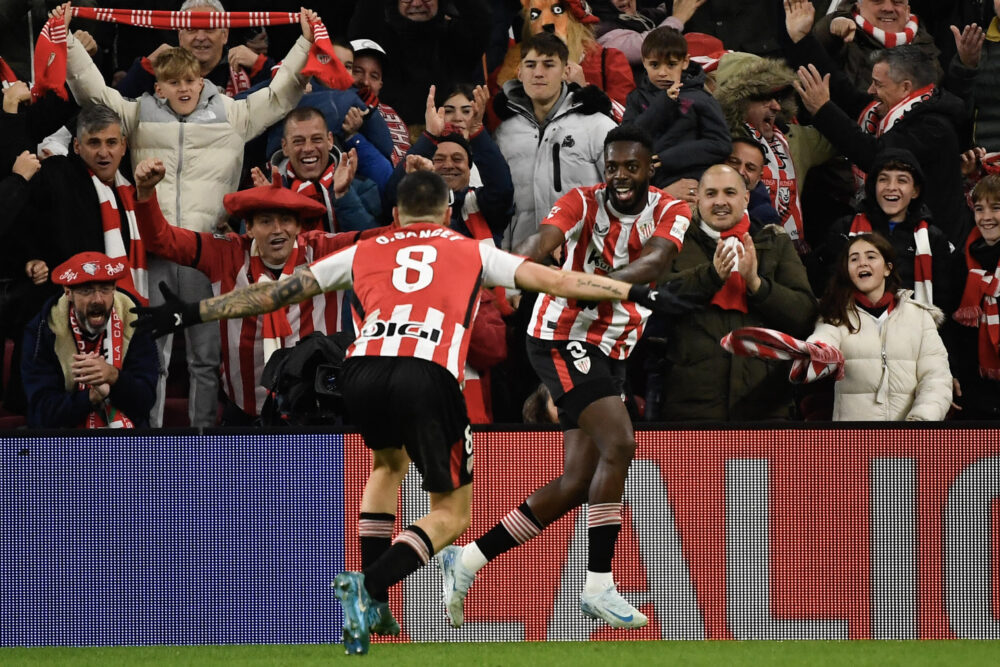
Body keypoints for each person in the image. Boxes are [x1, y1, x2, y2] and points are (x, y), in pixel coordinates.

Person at [129, 170, 689, 654]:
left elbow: (278, 294)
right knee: (452, 515)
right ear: (447, 211)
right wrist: (630, 292)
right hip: (426, 373)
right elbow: (558, 280)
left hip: (361, 371)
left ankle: (376, 610)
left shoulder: (365, 250)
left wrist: (188, 314)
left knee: (387, 466)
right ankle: (369, 585)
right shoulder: (471, 250)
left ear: (394, 214)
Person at [437, 125, 691, 631]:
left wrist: (600, 285)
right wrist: (518, 266)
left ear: (650, 168)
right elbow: (542, 239)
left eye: (630, 167)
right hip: (560, 334)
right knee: (620, 441)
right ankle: (598, 583)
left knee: (578, 480)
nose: (619, 176)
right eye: (612, 165)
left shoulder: (671, 209)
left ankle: (467, 560)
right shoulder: (580, 199)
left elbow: (658, 259)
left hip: (615, 344)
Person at [58, 2, 319, 427]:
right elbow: (92, 91)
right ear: (159, 86)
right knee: (150, 354)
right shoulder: (139, 113)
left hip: (205, 252)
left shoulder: (234, 114)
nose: (184, 88)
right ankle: (154, 441)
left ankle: (201, 441)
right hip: (155, 250)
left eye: (191, 81)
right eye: (173, 82)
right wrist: (65, 39)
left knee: (205, 358)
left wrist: (307, 41)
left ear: (203, 80)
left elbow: (282, 93)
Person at [131, 157, 376, 424]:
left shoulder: (325, 250)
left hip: (316, 412)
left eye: (286, 220)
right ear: (249, 228)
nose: (278, 230)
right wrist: (146, 194)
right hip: (245, 412)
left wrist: (428, 191)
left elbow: (394, 239)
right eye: (266, 221)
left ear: (299, 226)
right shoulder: (226, 252)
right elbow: (162, 240)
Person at [658, 164, 818, 420]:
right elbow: (655, 300)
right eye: (711, 194)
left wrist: (757, 284)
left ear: (746, 198)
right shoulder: (676, 241)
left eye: (729, 192)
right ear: (698, 198)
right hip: (692, 407)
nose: (720, 202)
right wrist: (710, 277)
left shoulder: (773, 242)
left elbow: (805, 316)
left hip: (765, 407)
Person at [790, 23, 972, 246]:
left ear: (906, 88)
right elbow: (841, 89)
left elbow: (876, 156)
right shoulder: (886, 111)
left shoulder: (933, 127)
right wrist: (801, 38)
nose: (870, 91)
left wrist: (822, 109)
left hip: (933, 248)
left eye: (878, 84)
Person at [493, 32, 619, 251]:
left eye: (549, 65)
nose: (538, 73)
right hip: (522, 264)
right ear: (519, 73)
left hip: (584, 259)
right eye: (530, 65)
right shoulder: (504, 134)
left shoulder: (598, 126)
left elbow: (622, 195)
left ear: (565, 71)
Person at [807, 232, 952, 420]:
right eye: (854, 259)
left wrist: (920, 422)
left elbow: (937, 378)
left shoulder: (919, 317)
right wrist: (811, 355)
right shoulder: (835, 316)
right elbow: (822, 343)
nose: (862, 263)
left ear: (887, 268)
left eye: (871, 256)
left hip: (908, 441)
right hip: (855, 442)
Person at [22, 252, 157, 428]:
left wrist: (113, 376)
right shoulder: (42, 330)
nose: (97, 299)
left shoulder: (135, 320)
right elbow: (42, 412)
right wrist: (90, 397)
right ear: (68, 292)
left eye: (105, 289)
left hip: (126, 441)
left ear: (115, 288)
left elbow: (146, 401)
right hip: (64, 443)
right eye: (86, 290)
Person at [819, 148, 954, 311]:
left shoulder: (934, 238)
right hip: (854, 327)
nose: (891, 187)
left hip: (915, 329)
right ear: (873, 187)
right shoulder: (844, 229)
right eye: (883, 179)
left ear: (915, 191)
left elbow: (944, 300)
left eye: (902, 180)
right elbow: (829, 290)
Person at [386, 85, 514, 244]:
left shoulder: (484, 206)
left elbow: (501, 189)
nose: (448, 165)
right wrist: (429, 137)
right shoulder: (416, 205)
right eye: (439, 159)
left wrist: (476, 130)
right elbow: (393, 195)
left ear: (470, 167)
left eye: (457, 159)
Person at [348, 0, 492, 126]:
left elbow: (481, 20)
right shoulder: (381, 39)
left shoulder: (456, 38)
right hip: (392, 140)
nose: (416, 3)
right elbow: (362, 27)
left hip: (449, 141)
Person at [622, 26, 730, 194]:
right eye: (654, 65)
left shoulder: (701, 98)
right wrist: (662, 104)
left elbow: (720, 145)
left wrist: (669, 158)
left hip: (695, 185)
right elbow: (627, 140)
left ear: (685, 62)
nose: (662, 73)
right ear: (644, 62)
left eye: (671, 65)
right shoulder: (635, 99)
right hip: (650, 189)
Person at [253, 106, 382, 234]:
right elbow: (246, 249)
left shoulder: (363, 188)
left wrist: (344, 195)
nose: (308, 148)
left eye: (316, 139)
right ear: (285, 147)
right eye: (298, 141)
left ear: (329, 141)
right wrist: (269, 208)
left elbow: (374, 243)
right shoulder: (263, 192)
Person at [114, 0, 275, 100]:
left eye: (209, 29)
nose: (200, 37)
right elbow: (116, 108)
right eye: (191, 29)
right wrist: (145, 68)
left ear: (225, 34)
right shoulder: (158, 70)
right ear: (180, 35)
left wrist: (262, 66)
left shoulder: (248, 68)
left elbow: (282, 100)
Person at [949, 174, 1000, 418]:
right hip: (975, 394)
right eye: (979, 209)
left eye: (996, 208)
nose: (986, 217)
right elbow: (953, 327)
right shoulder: (962, 261)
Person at [349, 38, 411, 166]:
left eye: (374, 76)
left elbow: (400, 171)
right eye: (357, 71)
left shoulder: (390, 116)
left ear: (380, 85)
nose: (365, 82)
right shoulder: (325, 106)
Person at [725, 136, 782, 228]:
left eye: (750, 168)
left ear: (759, 176)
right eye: (734, 162)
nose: (740, 171)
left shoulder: (765, 218)